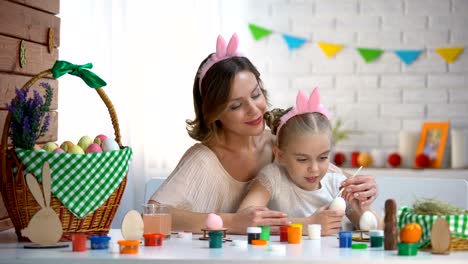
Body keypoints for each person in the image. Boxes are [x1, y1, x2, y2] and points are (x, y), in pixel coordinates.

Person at [150, 33, 378, 234]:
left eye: (256, 94)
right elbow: (152, 216)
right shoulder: (203, 160)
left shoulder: (276, 142)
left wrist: (363, 187)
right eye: (236, 105)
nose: (254, 109)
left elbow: (333, 178)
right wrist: (232, 222)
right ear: (214, 114)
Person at [238, 89, 381, 235]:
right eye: (302, 159)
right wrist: (309, 224)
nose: (314, 169)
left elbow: (373, 227)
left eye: (323, 157)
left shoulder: (336, 184)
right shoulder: (273, 178)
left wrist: (364, 208)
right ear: (280, 156)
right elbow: (244, 219)